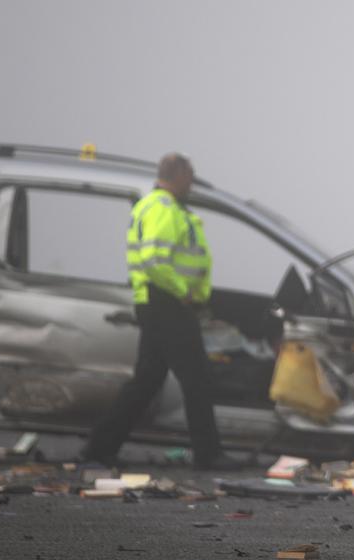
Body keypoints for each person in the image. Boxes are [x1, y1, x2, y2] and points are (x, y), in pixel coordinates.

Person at [81, 153, 238, 470]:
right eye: (190, 174)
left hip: (156, 303)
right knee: (196, 378)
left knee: (148, 379)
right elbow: (155, 261)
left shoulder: (151, 206)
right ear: (177, 174)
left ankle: (100, 447)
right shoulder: (164, 209)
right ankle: (209, 454)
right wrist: (184, 293)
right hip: (168, 303)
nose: (192, 181)